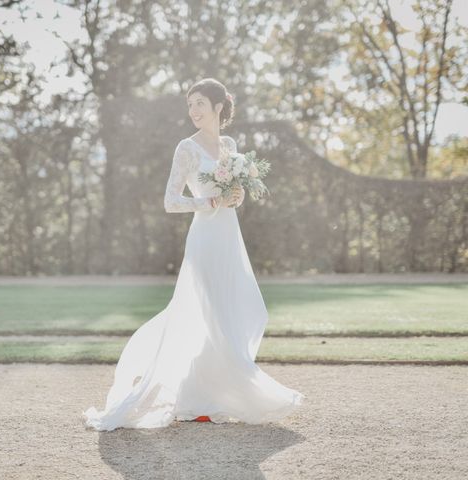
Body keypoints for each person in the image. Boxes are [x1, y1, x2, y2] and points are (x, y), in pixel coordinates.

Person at [82, 77, 305, 431]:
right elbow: (171, 201)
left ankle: (205, 398)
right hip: (204, 238)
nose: (194, 111)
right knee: (212, 314)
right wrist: (211, 201)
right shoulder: (186, 148)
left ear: (219, 106)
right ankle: (207, 397)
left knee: (234, 311)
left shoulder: (230, 144)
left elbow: (235, 191)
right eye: (190, 104)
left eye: (200, 103)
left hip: (229, 237)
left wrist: (236, 197)